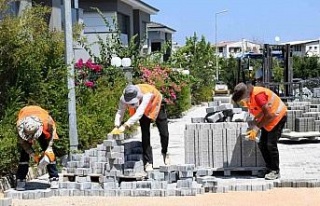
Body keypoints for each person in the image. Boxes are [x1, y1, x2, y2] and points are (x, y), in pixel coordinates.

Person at [232, 83, 287, 180]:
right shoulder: (250, 96)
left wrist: (256, 128)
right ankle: (269, 167)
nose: (242, 102)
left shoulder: (258, 96)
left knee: (271, 144)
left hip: (278, 116)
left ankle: (275, 170)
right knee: (262, 144)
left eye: (241, 100)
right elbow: (262, 111)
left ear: (245, 95)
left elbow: (269, 114)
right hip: (269, 118)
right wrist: (254, 121)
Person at [113, 84, 170, 171]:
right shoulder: (124, 97)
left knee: (164, 133)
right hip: (143, 110)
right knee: (145, 134)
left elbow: (139, 112)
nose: (131, 104)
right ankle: (148, 162)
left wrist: (125, 125)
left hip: (156, 104)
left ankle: (165, 153)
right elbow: (120, 111)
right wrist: (117, 125)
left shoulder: (147, 94)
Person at [15, 105, 60, 190]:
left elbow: (52, 133)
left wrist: (49, 147)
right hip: (27, 118)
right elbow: (23, 143)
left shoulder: (48, 122)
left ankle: (54, 178)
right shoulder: (20, 126)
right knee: (24, 154)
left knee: (49, 153)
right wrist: (33, 155)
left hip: (42, 125)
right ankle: (20, 179)